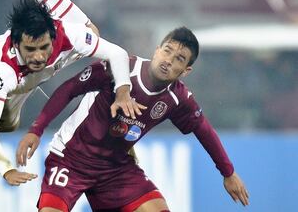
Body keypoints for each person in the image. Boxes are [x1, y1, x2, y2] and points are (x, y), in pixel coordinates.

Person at [17, 27, 250, 211]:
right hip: (71, 159)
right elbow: (69, 89)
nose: (169, 60)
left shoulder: (179, 98)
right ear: (157, 50)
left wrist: (228, 173)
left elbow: (203, 130)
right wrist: (36, 129)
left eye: (180, 58)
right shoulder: (121, 66)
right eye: (167, 50)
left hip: (115, 169)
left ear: (186, 70)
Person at [0, 0, 143, 186]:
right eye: (31, 49)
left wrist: (123, 93)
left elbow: (117, 54)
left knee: (92, 33)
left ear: (53, 35)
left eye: (44, 47)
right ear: (18, 44)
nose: (39, 56)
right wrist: (6, 170)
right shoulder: (3, 71)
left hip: (53, 49)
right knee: (3, 122)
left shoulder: (68, 34)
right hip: (16, 78)